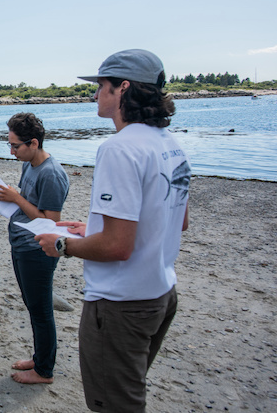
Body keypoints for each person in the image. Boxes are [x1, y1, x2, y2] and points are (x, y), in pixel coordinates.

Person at [36, 49, 191, 412]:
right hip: (161, 293)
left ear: (122, 89)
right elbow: (175, 220)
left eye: (101, 86)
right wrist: (96, 227)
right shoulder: (171, 145)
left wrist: (62, 244)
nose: (95, 94)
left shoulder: (120, 149)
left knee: (117, 404)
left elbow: (118, 247)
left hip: (122, 302)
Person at [0, 113, 69, 384]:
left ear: (33, 143)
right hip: (20, 243)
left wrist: (15, 197)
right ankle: (40, 357)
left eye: (15, 146)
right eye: (9, 145)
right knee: (33, 306)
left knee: (41, 310)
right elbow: (26, 206)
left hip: (38, 250)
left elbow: (50, 221)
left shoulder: (51, 174)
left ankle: (44, 370)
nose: (11, 151)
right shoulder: (29, 165)